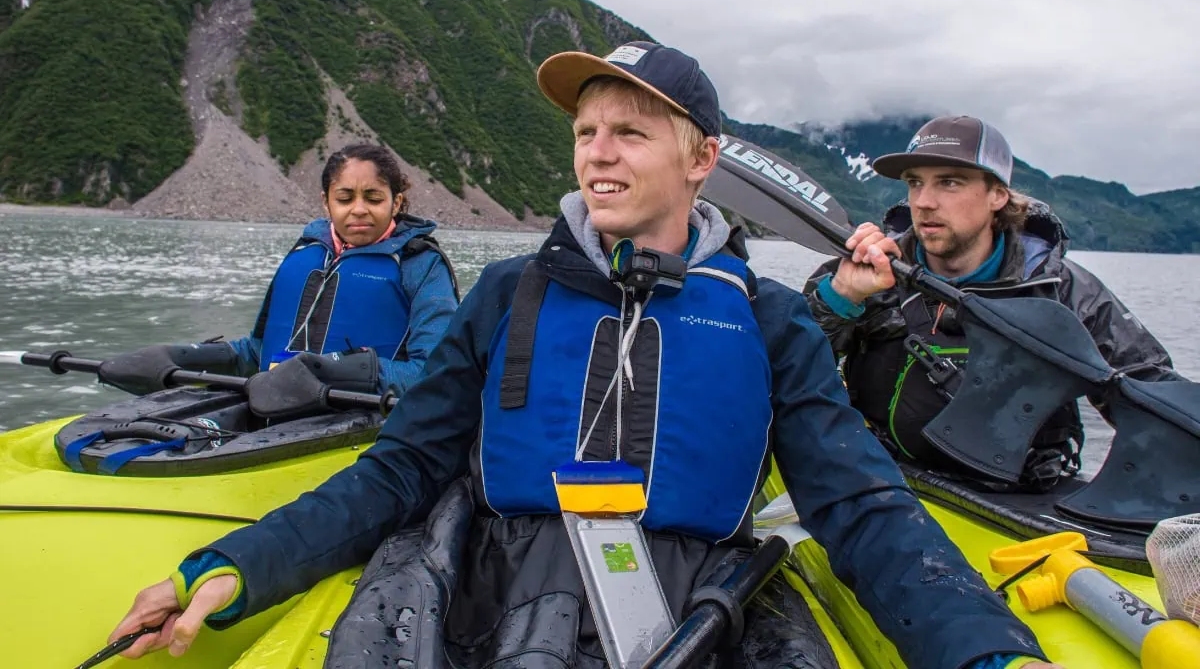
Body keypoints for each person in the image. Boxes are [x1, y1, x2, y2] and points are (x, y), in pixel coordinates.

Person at [107, 45, 1060, 669]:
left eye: (630, 133)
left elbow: (861, 508)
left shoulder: (774, 322)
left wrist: (987, 649)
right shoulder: (503, 293)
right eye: (584, 133)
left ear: (700, 160)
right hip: (496, 598)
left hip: (698, 606)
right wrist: (235, 566)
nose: (597, 156)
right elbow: (398, 471)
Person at [804, 115, 1178, 485]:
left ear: (998, 195)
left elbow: (1152, 396)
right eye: (915, 183)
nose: (924, 202)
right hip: (886, 482)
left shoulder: (1061, 288)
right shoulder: (866, 272)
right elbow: (789, 371)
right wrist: (841, 297)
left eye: (949, 183)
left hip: (1021, 498)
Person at [96, 143, 460, 412]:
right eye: (345, 198)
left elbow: (434, 373)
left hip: (362, 416)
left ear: (396, 203)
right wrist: (181, 356)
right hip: (275, 406)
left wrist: (326, 372)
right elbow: (257, 352)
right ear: (326, 202)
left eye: (374, 198)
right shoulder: (305, 252)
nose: (358, 209)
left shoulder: (420, 264)